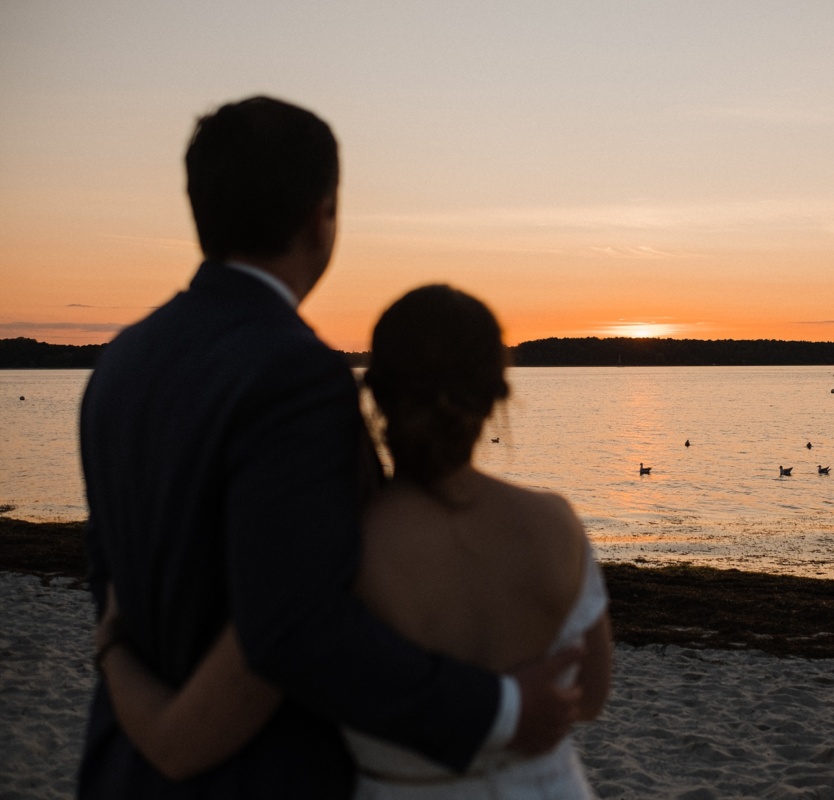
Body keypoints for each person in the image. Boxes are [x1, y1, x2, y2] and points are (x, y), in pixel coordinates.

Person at [79, 96, 580, 798]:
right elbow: (295, 628)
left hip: (120, 770)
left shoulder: (121, 361)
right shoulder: (294, 371)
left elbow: (109, 570)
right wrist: (500, 708)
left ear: (200, 208)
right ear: (323, 215)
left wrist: (124, 675)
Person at [95, 285, 613, 798]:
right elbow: (589, 697)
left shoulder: (346, 545)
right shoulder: (555, 523)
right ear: (497, 394)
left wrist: (113, 642)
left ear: (378, 393)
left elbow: (239, 695)